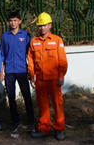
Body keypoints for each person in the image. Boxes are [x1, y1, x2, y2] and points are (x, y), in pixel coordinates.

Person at [28, 12, 68, 141]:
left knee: (57, 104)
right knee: (42, 105)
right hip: (40, 80)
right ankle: (43, 128)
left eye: (45, 25)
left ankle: (59, 129)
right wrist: (32, 76)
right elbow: (31, 61)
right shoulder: (34, 42)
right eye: (40, 26)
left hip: (54, 80)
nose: (42, 28)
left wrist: (61, 76)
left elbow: (62, 61)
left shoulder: (57, 40)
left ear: (50, 25)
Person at [0, 11, 35, 133]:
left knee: (26, 96)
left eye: (15, 20)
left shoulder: (26, 35)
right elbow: (2, 55)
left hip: (22, 70)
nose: (13, 23)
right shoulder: (5, 36)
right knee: (11, 97)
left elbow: (30, 55)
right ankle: (15, 121)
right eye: (11, 20)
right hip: (9, 71)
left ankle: (31, 121)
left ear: (19, 21)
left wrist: (31, 72)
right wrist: (1, 71)